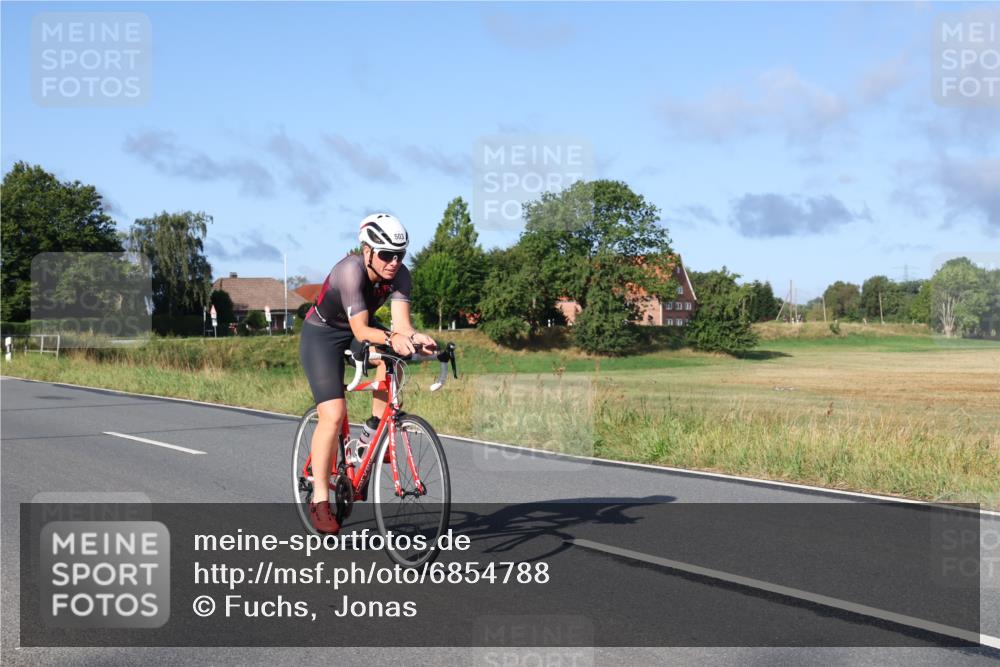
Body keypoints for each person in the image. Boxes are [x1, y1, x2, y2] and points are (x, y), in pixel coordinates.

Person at [299, 213, 437, 534]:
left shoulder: (401, 275)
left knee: (393, 360)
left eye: (399, 255)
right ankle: (320, 499)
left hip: (357, 330)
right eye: (386, 254)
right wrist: (392, 338)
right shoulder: (350, 271)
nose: (393, 262)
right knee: (332, 415)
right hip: (322, 335)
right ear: (367, 250)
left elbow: (402, 326)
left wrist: (418, 340)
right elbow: (362, 330)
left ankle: (370, 435)